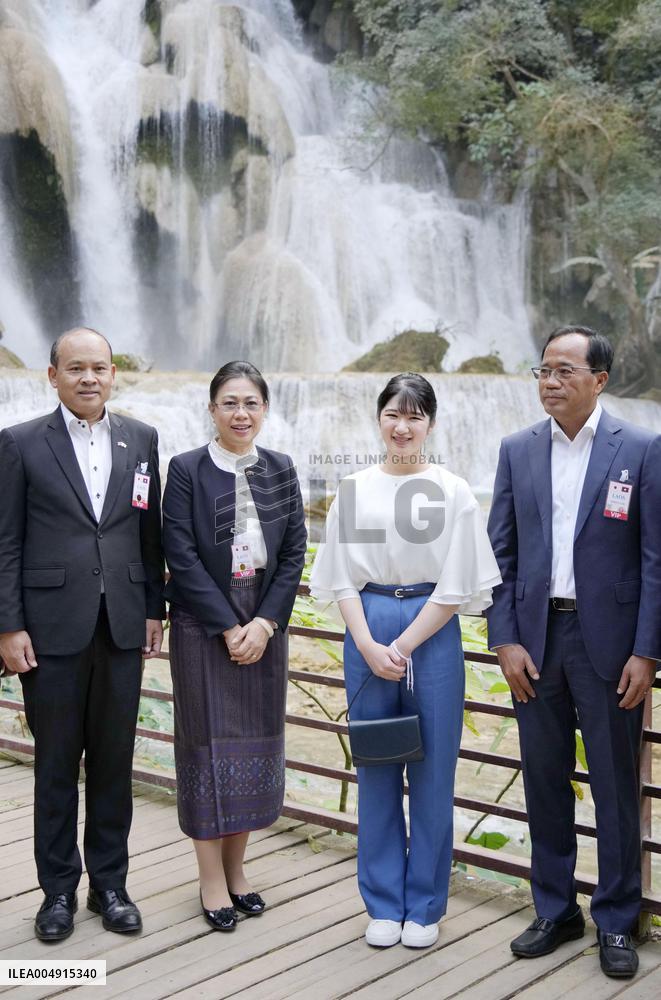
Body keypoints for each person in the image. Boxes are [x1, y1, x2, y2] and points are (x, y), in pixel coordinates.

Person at [486, 325, 661, 980]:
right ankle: (554, 910)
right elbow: (497, 554)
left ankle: (615, 919)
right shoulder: (516, 450)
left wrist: (647, 651)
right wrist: (503, 638)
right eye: (542, 370)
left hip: (611, 649)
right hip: (534, 642)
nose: (549, 381)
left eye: (563, 370)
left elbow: (655, 561)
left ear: (599, 379)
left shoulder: (640, 449)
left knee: (614, 784)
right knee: (543, 779)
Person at [309, 373, 501, 949]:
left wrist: (407, 644)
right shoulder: (358, 488)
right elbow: (341, 575)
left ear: (431, 424)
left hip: (430, 632)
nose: (403, 426)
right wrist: (368, 644)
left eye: (415, 416)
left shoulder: (451, 490)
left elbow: (456, 583)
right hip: (366, 628)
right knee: (376, 768)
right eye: (393, 413)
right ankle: (383, 903)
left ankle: (424, 905)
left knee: (434, 772)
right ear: (379, 419)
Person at [0, 327, 165, 941]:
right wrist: (8, 625)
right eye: (75, 368)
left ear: (114, 372)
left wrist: (155, 608)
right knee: (55, 765)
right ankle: (58, 894)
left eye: (98, 367)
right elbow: (6, 542)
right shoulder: (19, 444)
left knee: (115, 764)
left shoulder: (142, 438)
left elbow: (147, 534)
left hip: (122, 625)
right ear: (52, 375)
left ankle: (110, 886)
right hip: (49, 631)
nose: (88, 377)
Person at [162, 360, 306, 932]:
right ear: (213, 409)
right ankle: (210, 878)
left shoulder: (282, 469)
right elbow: (181, 553)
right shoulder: (186, 470)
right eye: (230, 403)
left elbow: (294, 551)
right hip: (205, 625)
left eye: (251, 403)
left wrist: (266, 624)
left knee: (253, 747)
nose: (240, 414)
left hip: (264, 625)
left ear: (264, 409)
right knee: (206, 749)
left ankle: (238, 869)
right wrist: (227, 626)